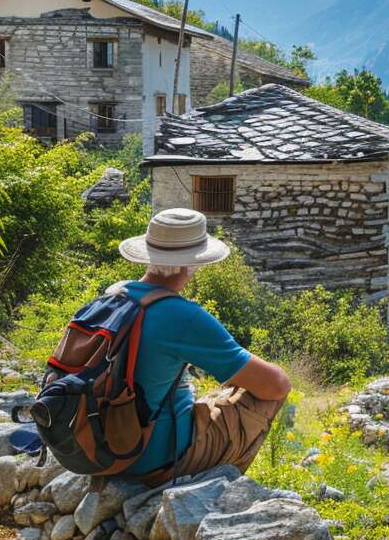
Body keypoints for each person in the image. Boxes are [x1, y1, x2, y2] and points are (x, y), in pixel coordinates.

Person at [113, 207, 291, 484]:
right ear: (192, 264)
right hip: (149, 458)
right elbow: (276, 384)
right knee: (267, 392)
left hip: (99, 445)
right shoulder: (180, 314)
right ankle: (221, 486)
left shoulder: (114, 295)